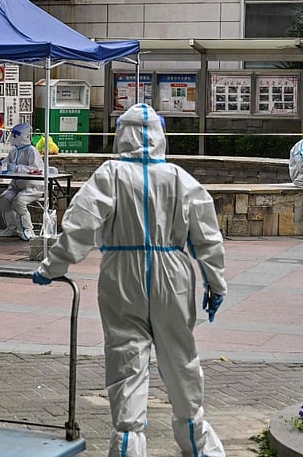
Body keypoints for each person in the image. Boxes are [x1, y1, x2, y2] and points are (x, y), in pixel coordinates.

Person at [32, 103, 227, 457]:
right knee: (181, 359)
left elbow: (82, 223)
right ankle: (198, 445)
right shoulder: (181, 179)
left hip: (121, 273)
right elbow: (208, 237)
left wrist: (52, 266)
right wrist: (215, 283)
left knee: (126, 362)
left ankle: (127, 445)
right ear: (160, 136)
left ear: (122, 135)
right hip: (174, 274)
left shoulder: (110, 174)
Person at [0, 121, 43, 241]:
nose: (13, 138)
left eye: (15, 135)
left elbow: (36, 169)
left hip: (32, 186)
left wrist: (17, 168)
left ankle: (27, 229)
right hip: (16, 186)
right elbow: (5, 164)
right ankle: (12, 228)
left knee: (19, 201)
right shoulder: (14, 151)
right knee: (4, 199)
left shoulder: (31, 151)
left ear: (22, 136)